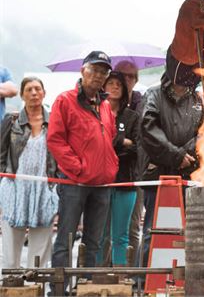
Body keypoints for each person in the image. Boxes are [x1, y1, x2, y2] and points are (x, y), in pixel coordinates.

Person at [47, 51, 118, 273]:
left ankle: (87, 288)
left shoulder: (105, 105)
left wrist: (110, 166)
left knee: (94, 243)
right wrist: (78, 168)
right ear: (83, 71)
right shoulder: (64, 100)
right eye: (94, 70)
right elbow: (55, 140)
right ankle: (60, 290)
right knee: (65, 240)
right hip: (74, 183)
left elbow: (111, 135)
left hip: (102, 183)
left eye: (103, 72)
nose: (98, 76)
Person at [139, 71, 204, 270]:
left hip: (187, 174)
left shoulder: (198, 101)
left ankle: (182, 281)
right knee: (153, 230)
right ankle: (143, 281)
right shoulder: (153, 94)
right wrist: (176, 156)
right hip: (158, 174)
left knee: (187, 231)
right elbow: (148, 129)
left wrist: (185, 155)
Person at [0, 77, 58, 268]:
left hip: (44, 189)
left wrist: (55, 185)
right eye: (29, 90)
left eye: (37, 89)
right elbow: (1, 154)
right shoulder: (12, 120)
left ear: (44, 93)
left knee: (40, 254)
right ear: (22, 95)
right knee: (10, 251)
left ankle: (37, 287)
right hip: (14, 188)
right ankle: (10, 286)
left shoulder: (55, 122)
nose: (34, 93)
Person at [97, 72, 140, 267]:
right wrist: (122, 141)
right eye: (110, 83)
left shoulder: (132, 117)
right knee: (100, 235)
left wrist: (111, 145)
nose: (114, 87)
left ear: (124, 90)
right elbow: (94, 144)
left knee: (121, 235)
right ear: (102, 87)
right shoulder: (94, 112)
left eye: (119, 85)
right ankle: (95, 277)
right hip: (100, 182)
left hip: (125, 181)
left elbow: (137, 149)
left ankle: (121, 278)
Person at [113, 60, 144, 268]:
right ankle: (103, 272)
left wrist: (120, 142)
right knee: (104, 229)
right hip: (106, 176)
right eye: (121, 76)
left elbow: (139, 144)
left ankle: (131, 274)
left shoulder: (141, 103)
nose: (126, 80)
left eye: (131, 76)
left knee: (130, 228)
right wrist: (121, 141)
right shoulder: (102, 105)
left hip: (134, 174)